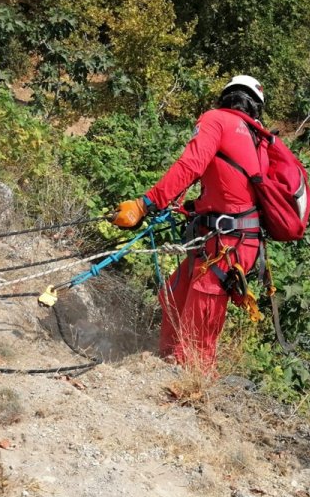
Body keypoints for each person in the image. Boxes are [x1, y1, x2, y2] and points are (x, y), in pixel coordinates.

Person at [110, 75, 267, 371]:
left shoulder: (217, 119)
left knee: (201, 313)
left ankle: (191, 382)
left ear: (226, 97)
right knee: (174, 292)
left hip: (227, 241)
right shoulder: (257, 138)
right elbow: (234, 190)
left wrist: (146, 204)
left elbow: (191, 165)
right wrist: (196, 209)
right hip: (231, 237)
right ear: (255, 108)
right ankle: (168, 364)